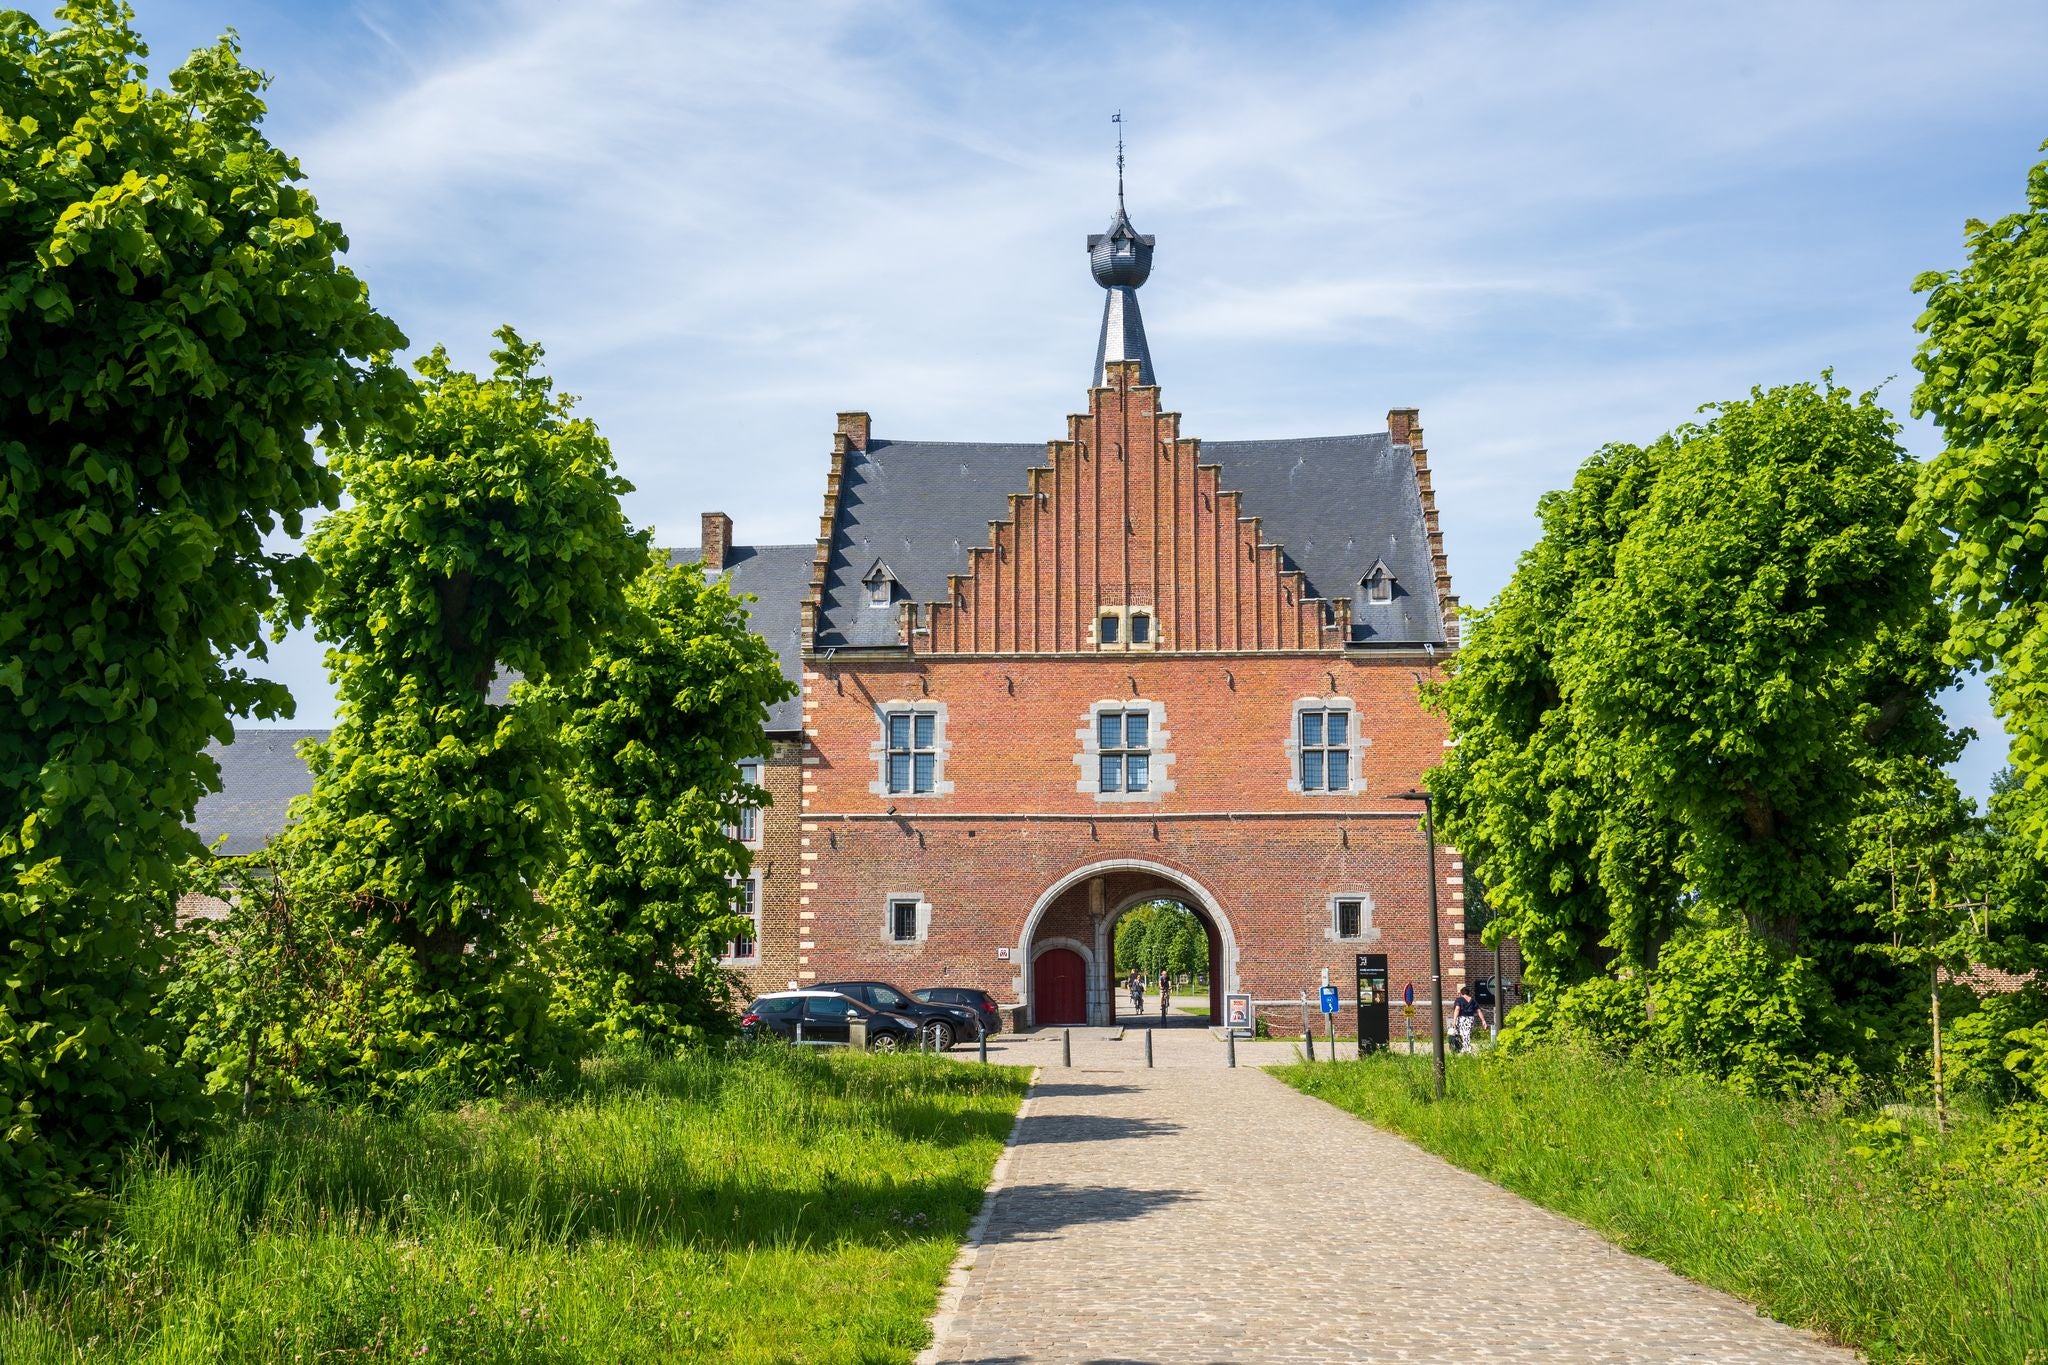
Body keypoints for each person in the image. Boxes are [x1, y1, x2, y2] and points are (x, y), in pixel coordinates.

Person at [1451, 984, 1480, 1052]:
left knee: (1461, 1033)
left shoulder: (1459, 999)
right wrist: (1483, 1021)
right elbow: (1479, 1010)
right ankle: (1465, 1047)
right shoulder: (1472, 1000)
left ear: (1461, 993)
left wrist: (1454, 1020)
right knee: (1467, 1033)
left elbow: (1457, 1009)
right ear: (1468, 993)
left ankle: (1465, 1048)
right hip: (1470, 1018)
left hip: (1462, 1018)